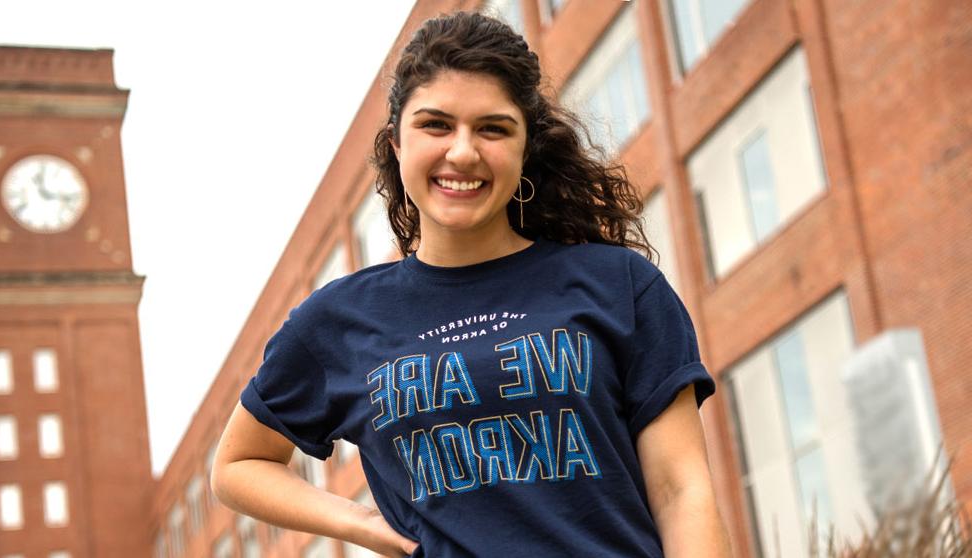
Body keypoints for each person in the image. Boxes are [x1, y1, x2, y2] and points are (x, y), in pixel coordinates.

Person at [211, 11, 731, 558]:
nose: (462, 151)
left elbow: (681, 490)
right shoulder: (338, 320)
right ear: (396, 144)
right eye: (436, 125)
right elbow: (237, 465)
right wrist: (362, 522)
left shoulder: (619, 285)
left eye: (492, 128)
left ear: (525, 146)